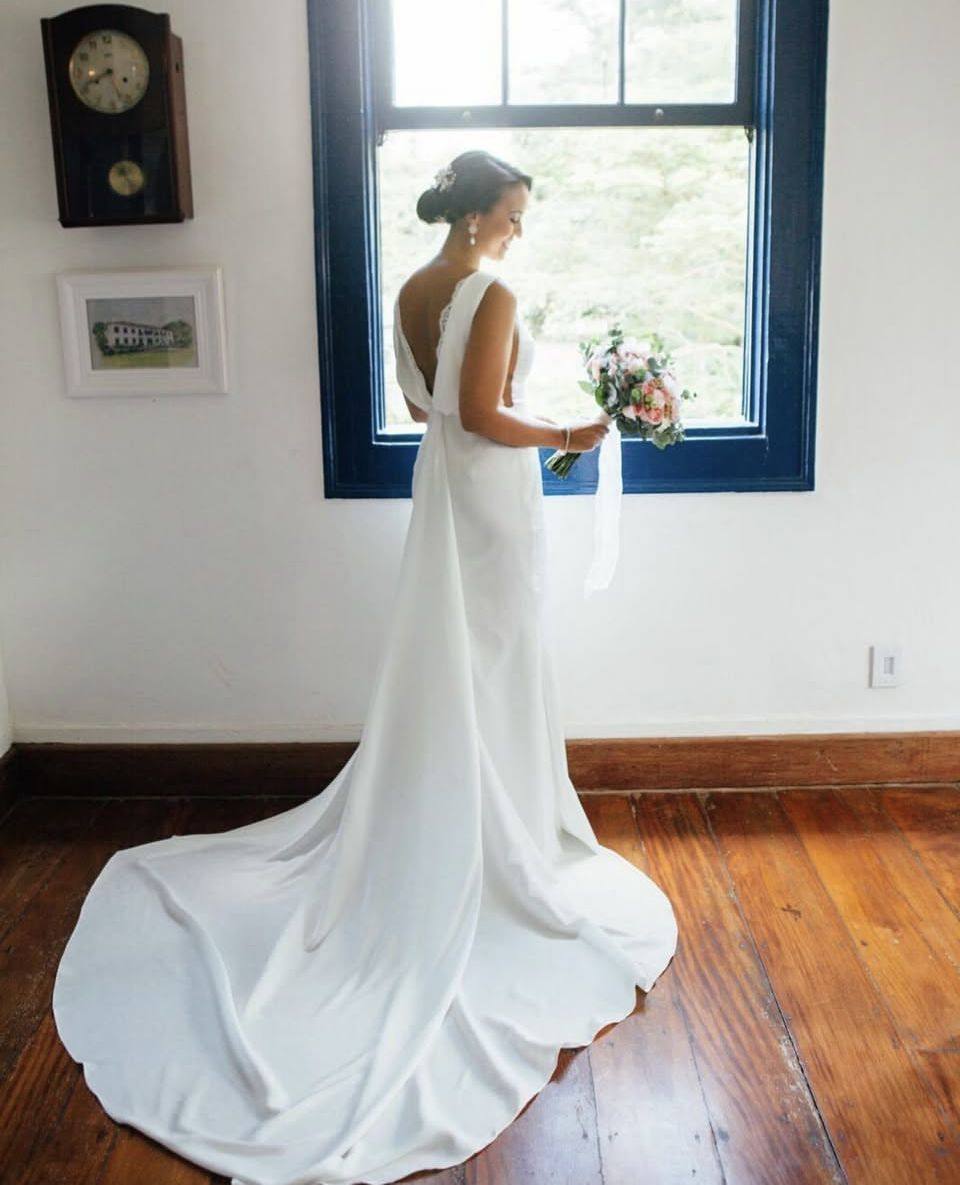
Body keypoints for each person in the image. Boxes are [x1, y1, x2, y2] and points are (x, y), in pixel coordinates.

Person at [51, 149, 678, 1185]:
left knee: (466, 662)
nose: (518, 231)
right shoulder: (489, 285)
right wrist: (576, 425)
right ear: (478, 215)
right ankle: (489, 840)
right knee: (493, 657)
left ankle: (483, 814)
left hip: (446, 494)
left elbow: (437, 407)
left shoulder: (412, 286)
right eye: (513, 214)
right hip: (485, 493)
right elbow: (483, 415)